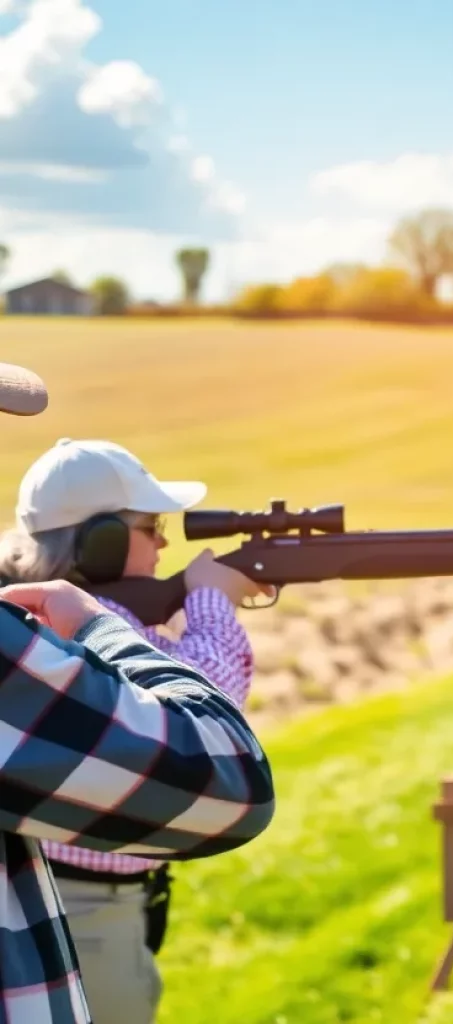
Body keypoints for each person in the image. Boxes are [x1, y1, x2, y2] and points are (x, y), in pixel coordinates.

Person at [0, 358, 275, 1023]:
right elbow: (209, 743)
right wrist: (210, 602)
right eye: (152, 530)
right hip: (89, 909)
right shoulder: (83, 625)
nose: (162, 547)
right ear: (97, 544)